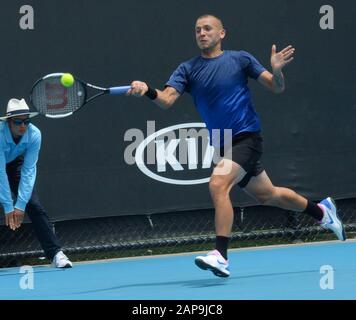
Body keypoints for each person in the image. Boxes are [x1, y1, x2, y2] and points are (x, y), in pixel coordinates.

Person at [128, 14, 346, 277]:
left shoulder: (240, 59)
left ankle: (220, 255)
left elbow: (275, 87)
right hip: (222, 145)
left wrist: (276, 71)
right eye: (197, 30)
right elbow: (165, 100)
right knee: (268, 194)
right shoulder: (187, 69)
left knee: (218, 183)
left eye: (208, 29)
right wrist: (147, 90)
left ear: (222, 33)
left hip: (246, 138)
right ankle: (322, 211)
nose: (202, 33)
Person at [0, 98, 72, 268]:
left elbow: (29, 170)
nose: (23, 126)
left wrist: (21, 204)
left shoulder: (34, 134)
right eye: (18, 122)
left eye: (26, 121)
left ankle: (56, 253)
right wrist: (9, 205)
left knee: (33, 204)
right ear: (9, 123)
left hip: (14, 162)